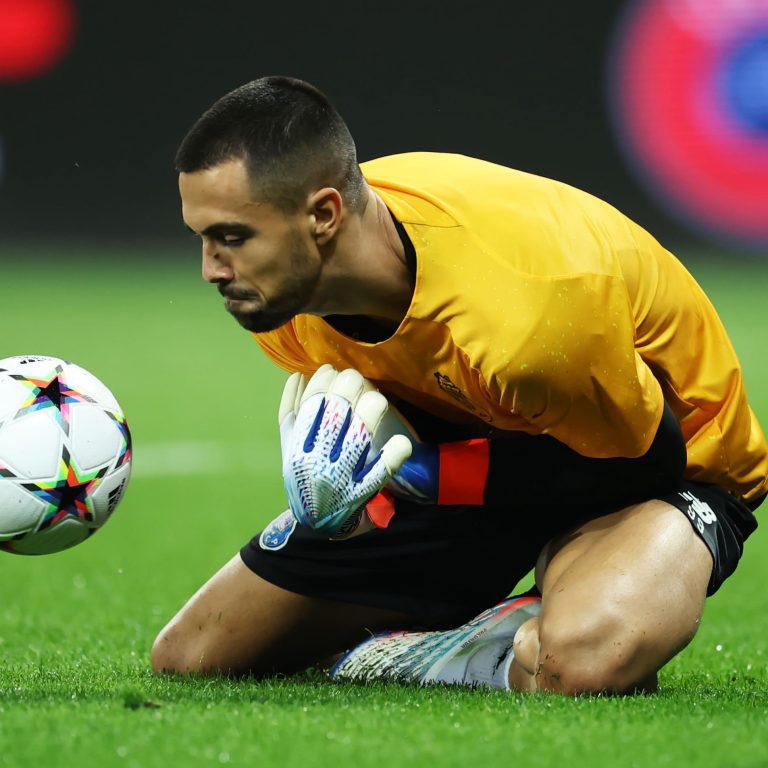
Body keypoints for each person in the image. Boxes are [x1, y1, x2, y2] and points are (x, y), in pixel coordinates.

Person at [151, 75, 768, 694]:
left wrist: (426, 473)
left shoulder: (524, 319)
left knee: (577, 661)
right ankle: (468, 639)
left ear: (324, 215)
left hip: (669, 467)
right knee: (193, 655)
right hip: (493, 445)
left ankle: (498, 624)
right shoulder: (285, 302)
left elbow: (646, 460)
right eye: (201, 237)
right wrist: (357, 484)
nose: (210, 268)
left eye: (232, 238)